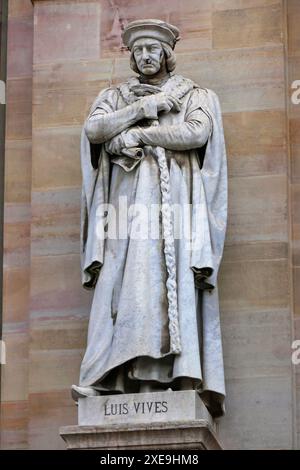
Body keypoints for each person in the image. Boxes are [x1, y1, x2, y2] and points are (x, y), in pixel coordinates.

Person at [72, 19, 227, 418]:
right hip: (125, 213)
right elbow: (94, 131)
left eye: (152, 49)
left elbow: (196, 132)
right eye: (138, 50)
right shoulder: (115, 96)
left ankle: (173, 375)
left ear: (166, 54)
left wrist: (141, 135)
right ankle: (113, 376)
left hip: (174, 209)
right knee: (124, 288)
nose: (145, 56)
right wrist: (141, 109)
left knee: (166, 287)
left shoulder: (193, 94)